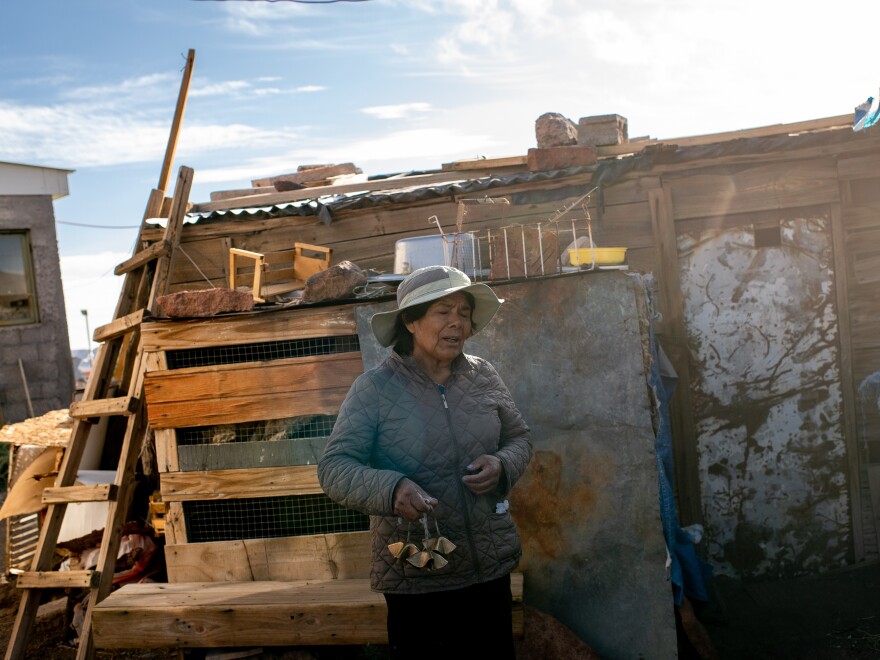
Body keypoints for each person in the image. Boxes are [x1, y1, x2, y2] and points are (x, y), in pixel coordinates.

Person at [318, 264, 532, 659]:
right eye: (443, 312)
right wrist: (392, 488)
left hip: (488, 567)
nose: (457, 324)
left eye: (464, 313)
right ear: (412, 322)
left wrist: (502, 464)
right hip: (417, 575)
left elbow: (519, 438)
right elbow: (334, 467)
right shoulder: (375, 389)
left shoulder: (483, 376)